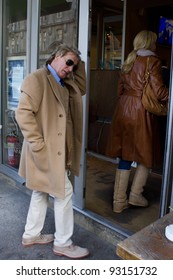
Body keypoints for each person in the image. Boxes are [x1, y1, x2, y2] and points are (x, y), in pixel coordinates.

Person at [15, 43, 89, 259]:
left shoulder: (68, 82)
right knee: (64, 193)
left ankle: (31, 234)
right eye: (68, 62)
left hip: (59, 151)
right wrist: (39, 146)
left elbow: (82, 87)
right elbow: (23, 114)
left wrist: (76, 61)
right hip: (45, 152)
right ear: (56, 56)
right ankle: (63, 244)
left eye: (73, 67)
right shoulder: (37, 79)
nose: (70, 69)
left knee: (41, 191)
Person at [106, 30, 169, 213]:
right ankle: (135, 195)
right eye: (155, 42)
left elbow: (119, 91)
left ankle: (119, 201)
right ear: (150, 44)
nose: (156, 45)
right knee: (145, 154)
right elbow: (158, 90)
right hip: (141, 111)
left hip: (123, 109)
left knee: (125, 154)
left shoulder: (128, 61)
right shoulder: (152, 61)